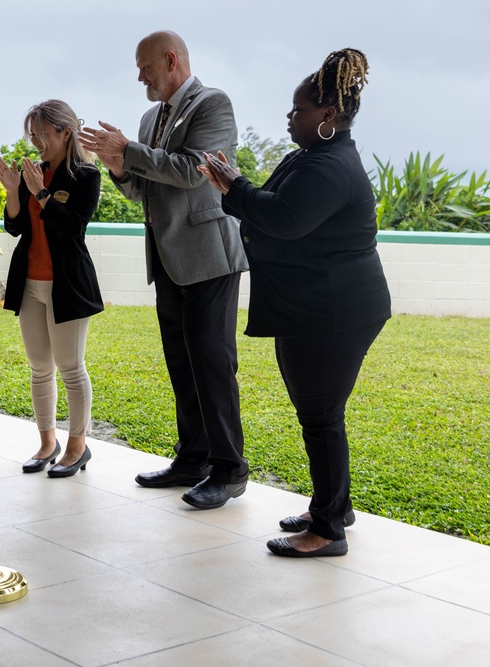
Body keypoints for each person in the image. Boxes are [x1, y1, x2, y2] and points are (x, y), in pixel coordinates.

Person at [199, 48, 389, 557]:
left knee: (321, 415)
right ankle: (333, 504)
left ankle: (328, 529)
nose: (289, 118)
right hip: (317, 306)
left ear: (328, 116)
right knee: (322, 414)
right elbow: (270, 207)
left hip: (333, 312)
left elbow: (281, 219)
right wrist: (233, 186)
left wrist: (234, 186)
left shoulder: (330, 167)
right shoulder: (312, 158)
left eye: (297, 110)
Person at [81, 31, 249, 508]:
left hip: (210, 257)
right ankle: (192, 459)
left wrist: (129, 151)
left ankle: (231, 470)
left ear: (170, 60)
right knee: (182, 361)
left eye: (145, 67)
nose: (140, 78)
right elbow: (144, 189)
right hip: (168, 259)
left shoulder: (213, 104)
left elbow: (191, 168)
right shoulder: (151, 116)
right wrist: (118, 166)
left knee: (212, 363)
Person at [0, 100, 103, 478]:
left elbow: (71, 228)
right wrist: (13, 190)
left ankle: (77, 447)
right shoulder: (33, 171)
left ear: (65, 132)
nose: (36, 141)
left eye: (42, 133)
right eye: (32, 134)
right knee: (40, 367)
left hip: (67, 284)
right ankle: (46, 443)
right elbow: (17, 227)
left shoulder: (85, 176)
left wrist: (41, 193)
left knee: (71, 368)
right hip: (30, 284)